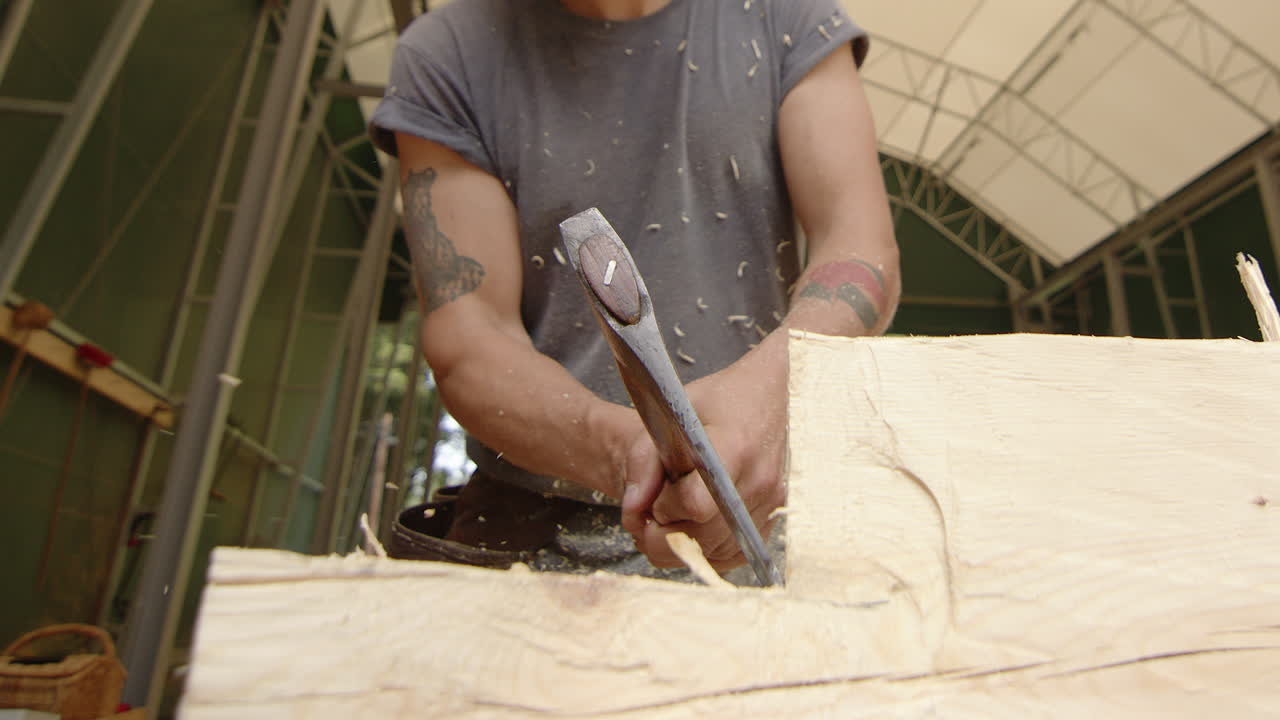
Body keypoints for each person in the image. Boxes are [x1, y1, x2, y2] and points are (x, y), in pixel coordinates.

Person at [368, 0, 899, 582]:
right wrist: (629, 454)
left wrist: (767, 394)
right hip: (528, 529)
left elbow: (858, 248)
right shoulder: (447, 53)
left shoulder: (784, 15)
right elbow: (471, 335)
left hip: (767, 510)